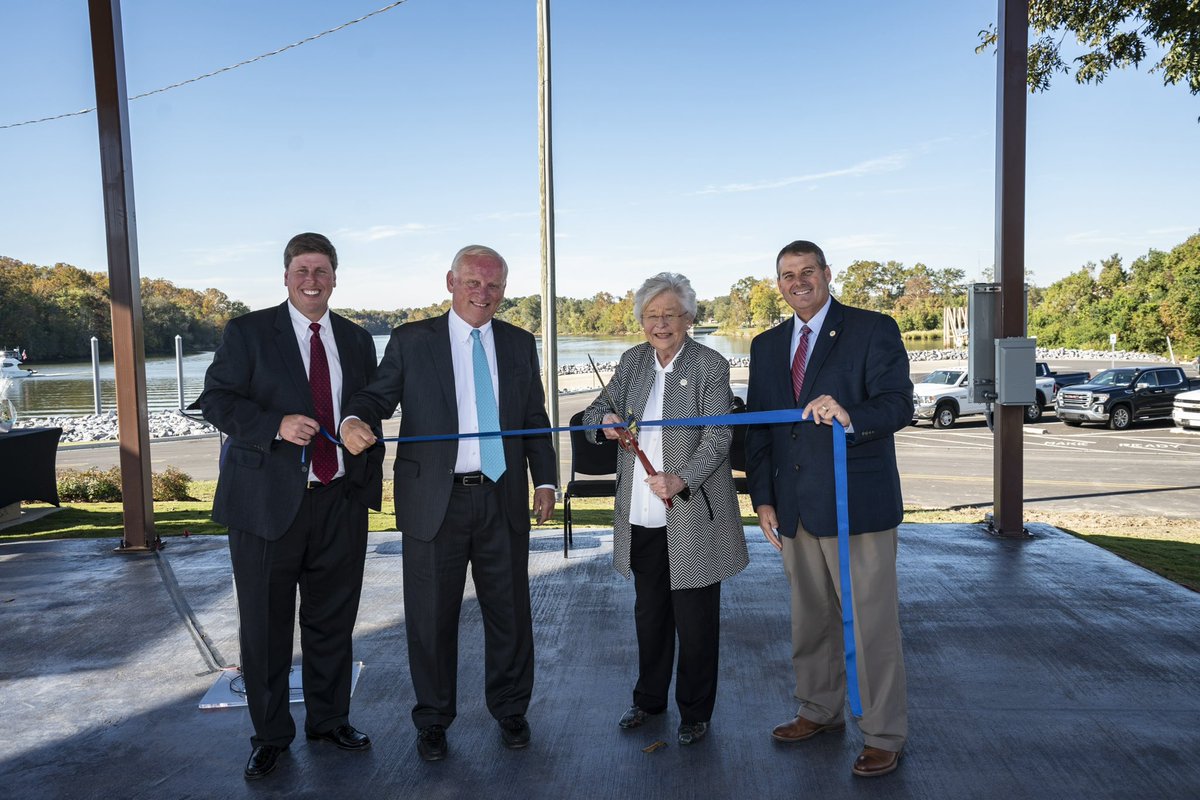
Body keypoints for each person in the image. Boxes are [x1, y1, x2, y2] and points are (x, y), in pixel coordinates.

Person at [340, 244, 556, 762]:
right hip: (433, 501)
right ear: (450, 282)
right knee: (430, 617)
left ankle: (510, 710)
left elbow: (534, 420)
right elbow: (377, 397)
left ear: (504, 290)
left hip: (502, 497)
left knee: (509, 613)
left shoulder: (520, 343)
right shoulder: (414, 340)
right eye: (473, 282)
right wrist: (354, 419)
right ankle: (433, 720)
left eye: (495, 285)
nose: (484, 293)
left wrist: (545, 481)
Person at [197, 232, 384, 781]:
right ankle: (271, 736)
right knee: (265, 627)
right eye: (302, 270)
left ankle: (329, 721)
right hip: (265, 506)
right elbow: (216, 400)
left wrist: (359, 425)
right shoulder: (248, 332)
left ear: (334, 277)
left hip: (339, 500)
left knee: (332, 621)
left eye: (322, 271)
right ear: (285, 276)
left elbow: (368, 403)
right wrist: (273, 427)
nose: (311, 280)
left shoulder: (355, 339)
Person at [744, 240, 912, 778]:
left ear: (827, 274)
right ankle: (819, 709)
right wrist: (763, 498)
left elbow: (898, 404)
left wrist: (848, 413)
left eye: (807, 271)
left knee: (869, 625)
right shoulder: (767, 345)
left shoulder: (871, 328)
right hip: (792, 509)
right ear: (778, 284)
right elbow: (764, 428)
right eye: (788, 275)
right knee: (809, 622)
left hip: (854, 508)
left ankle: (884, 733)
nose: (798, 282)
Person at [581, 272, 748, 746]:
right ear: (641, 321)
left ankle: (695, 712)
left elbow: (719, 435)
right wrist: (606, 421)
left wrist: (682, 477)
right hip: (641, 514)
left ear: (688, 319)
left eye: (670, 315)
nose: (660, 323)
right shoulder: (633, 361)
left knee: (695, 622)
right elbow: (593, 414)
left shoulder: (709, 365)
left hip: (692, 513)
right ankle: (648, 700)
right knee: (649, 615)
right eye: (651, 316)